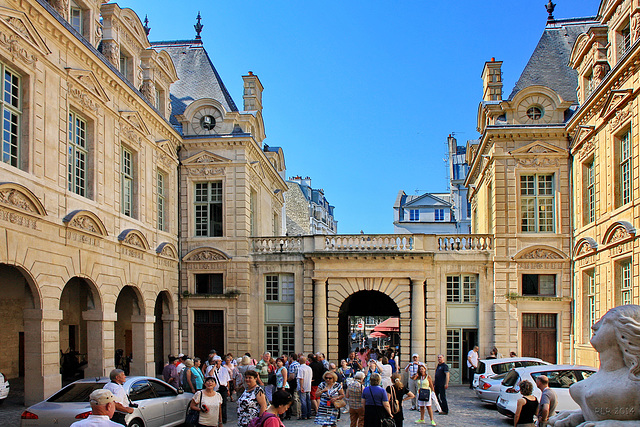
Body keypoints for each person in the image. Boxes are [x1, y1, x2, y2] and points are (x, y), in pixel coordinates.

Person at [550, 305, 640, 427]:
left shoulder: (635, 381)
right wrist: (580, 416)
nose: (594, 326)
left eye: (605, 321)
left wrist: (617, 425)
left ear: (626, 332)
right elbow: (605, 414)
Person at [297, 355, 314, 420]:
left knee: (303, 401)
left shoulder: (301, 368)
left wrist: (301, 387)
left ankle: (304, 415)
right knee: (308, 401)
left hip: (303, 386)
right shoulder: (309, 368)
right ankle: (309, 414)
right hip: (308, 386)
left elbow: (301, 378)